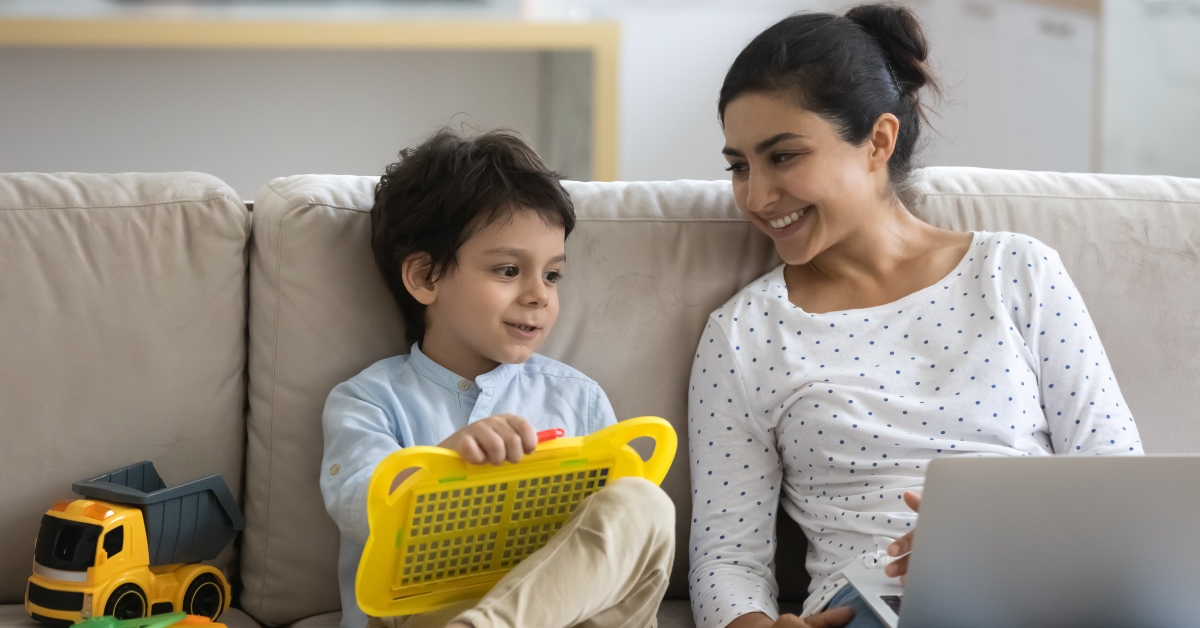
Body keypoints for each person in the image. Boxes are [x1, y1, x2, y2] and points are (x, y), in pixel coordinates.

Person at [687, 5, 1143, 628]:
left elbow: (1118, 481)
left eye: (784, 157)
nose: (757, 196)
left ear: (878, 141)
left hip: (1041, 585)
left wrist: (990, 541)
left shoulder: (1016, 270)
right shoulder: (743, 334)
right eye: (739, 166)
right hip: (874, 606)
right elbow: (726, 558)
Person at [321, 129, 675, 628]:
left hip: (562, 616)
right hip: (429, 611)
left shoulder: (579, 398)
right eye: (508, 270)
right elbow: (360, 506)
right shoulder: (369, 400)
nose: (539, 295)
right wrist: (445, 465)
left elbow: (614, 550)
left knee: (644, 503)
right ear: (425, 277)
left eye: (552, 275)